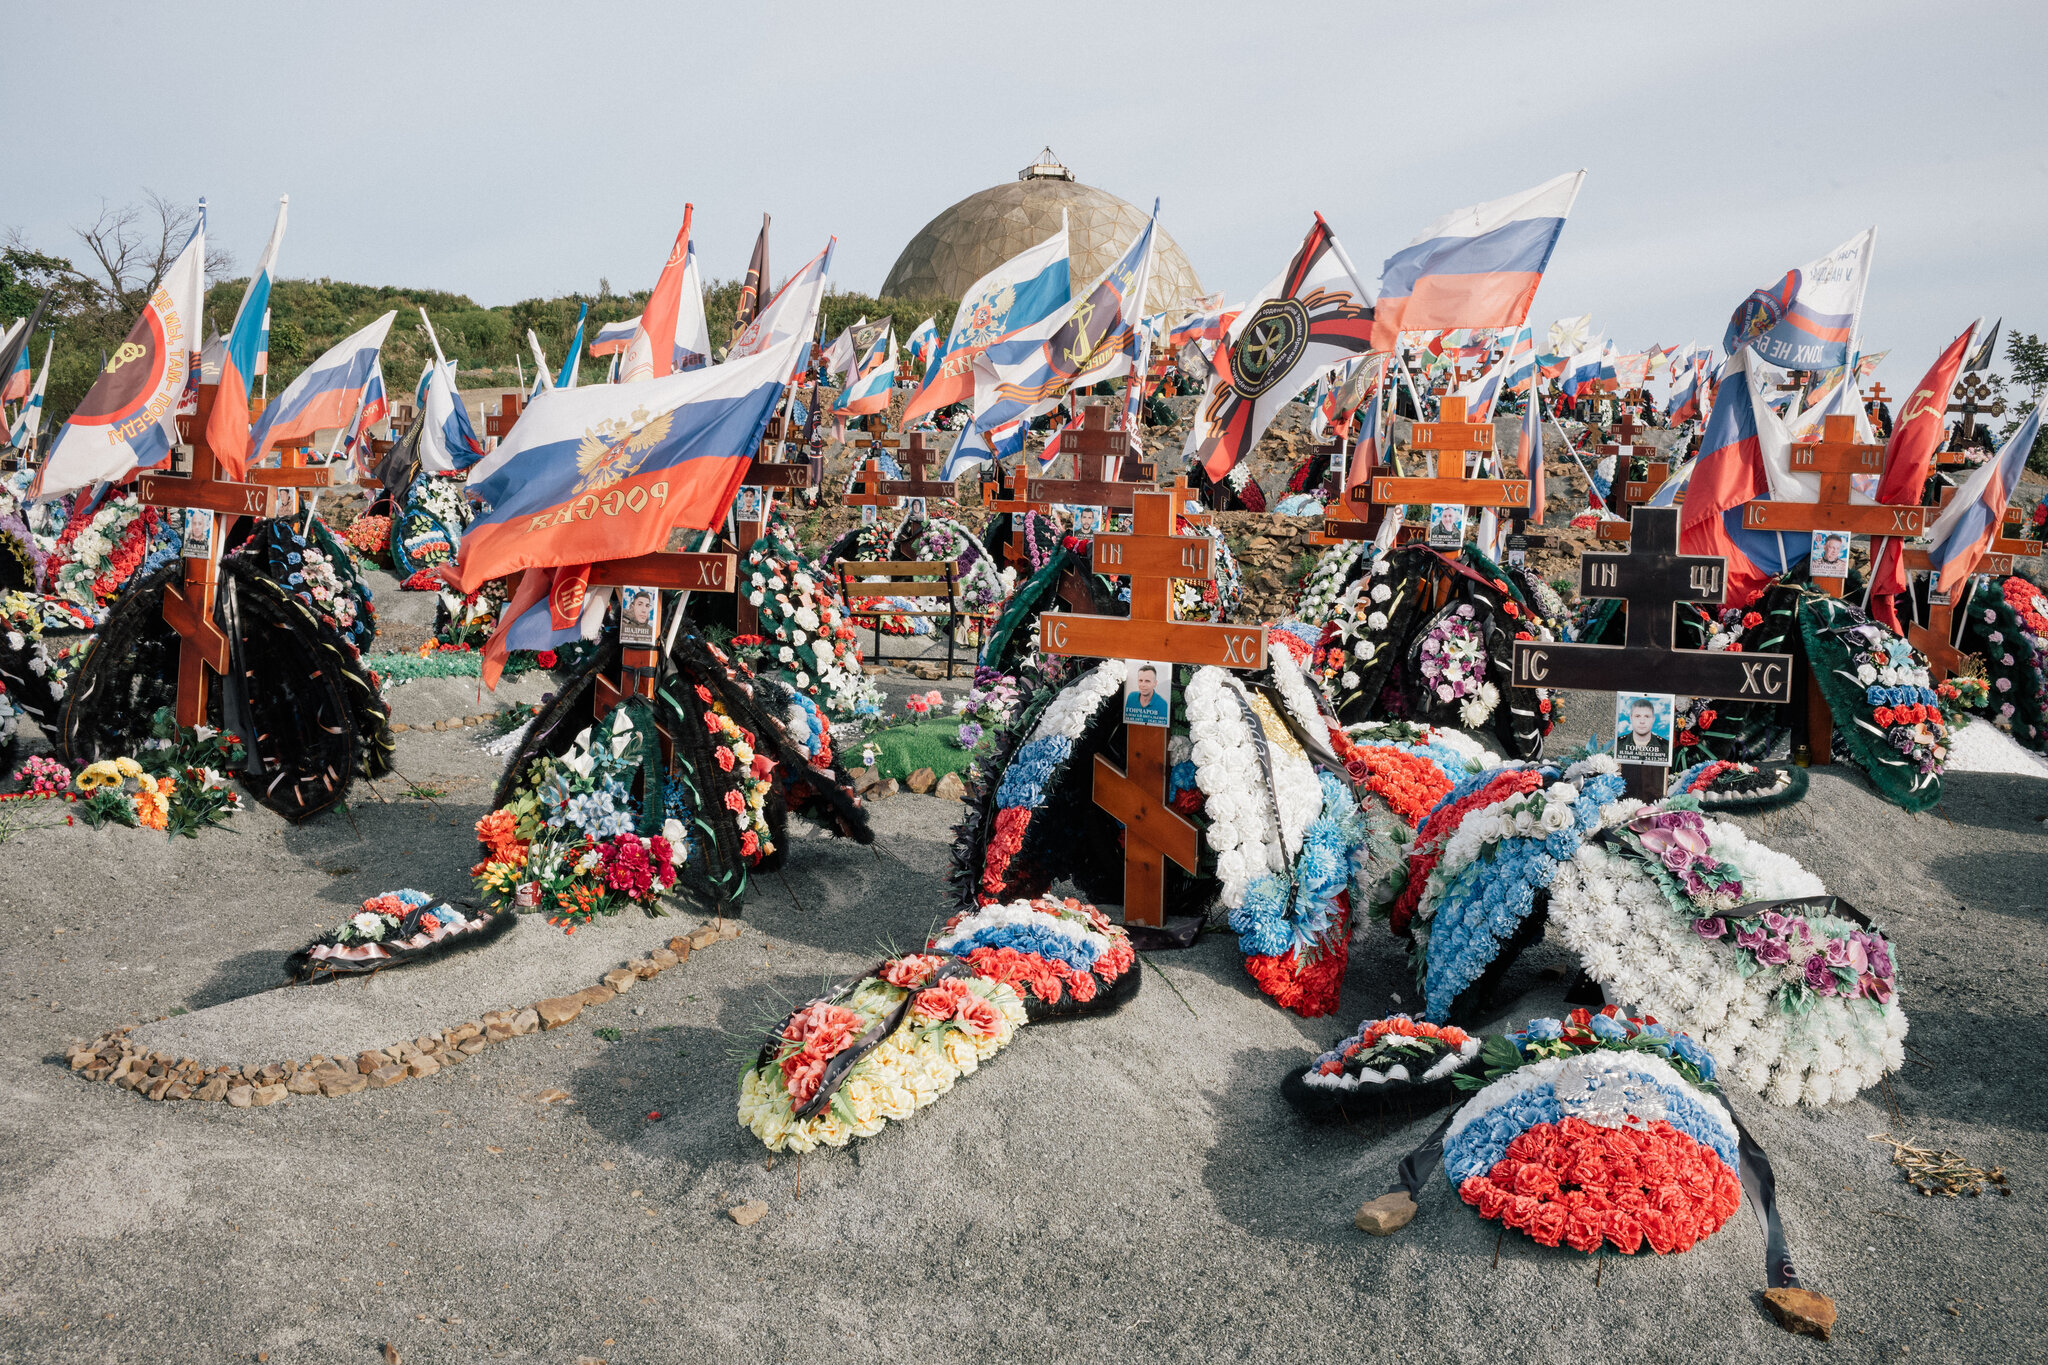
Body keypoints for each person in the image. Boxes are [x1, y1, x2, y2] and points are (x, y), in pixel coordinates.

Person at [1615, 696, 1669, 763]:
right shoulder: (1618, 744)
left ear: (1653, 719)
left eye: (1647, 716)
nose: (1642, 721)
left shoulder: (1666, 747)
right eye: (1637, 716)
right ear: (1631, 718)